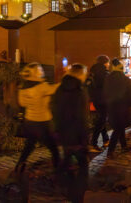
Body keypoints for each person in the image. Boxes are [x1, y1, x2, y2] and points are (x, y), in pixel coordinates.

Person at [14, 63, 60, 177]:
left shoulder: (22, 87)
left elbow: (22, 103)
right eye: (40, 71)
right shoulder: (41, 87)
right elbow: (55, 89)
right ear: (36, 73)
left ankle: (19, 165)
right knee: (53, 147)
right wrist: (66, 78)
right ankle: (59, 170)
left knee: (29, 145)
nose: (42, 72)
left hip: (29, 120)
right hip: (43, 121)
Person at [53, 63, 90, 202]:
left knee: (68, 160)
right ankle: (77, 196)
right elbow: (81, 117)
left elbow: (55, 111)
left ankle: (64, 186)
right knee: (83, 166)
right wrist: (84, 138)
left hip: (63, 133)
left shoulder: (59, 89)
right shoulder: (80, 91)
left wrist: (57, 131)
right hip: (76, 135)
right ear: (80, 74)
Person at [103, 59, 131, 156]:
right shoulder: (125, 79)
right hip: (122, 107)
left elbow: (105, 92)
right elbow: (130, 94)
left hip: (111, 106)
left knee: (120, 127)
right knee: (118, 128)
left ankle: (124, 146)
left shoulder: (108, 78)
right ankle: (110, 150)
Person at [87, 55, 111, 151]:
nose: (109, 64)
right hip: (104, 100)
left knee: (102, 118)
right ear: (105, 63)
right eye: (108, 63)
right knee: (102, 120)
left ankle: (106, 139)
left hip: (96, 100)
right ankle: (93, 143)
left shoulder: (92, 73)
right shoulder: (105, 74)